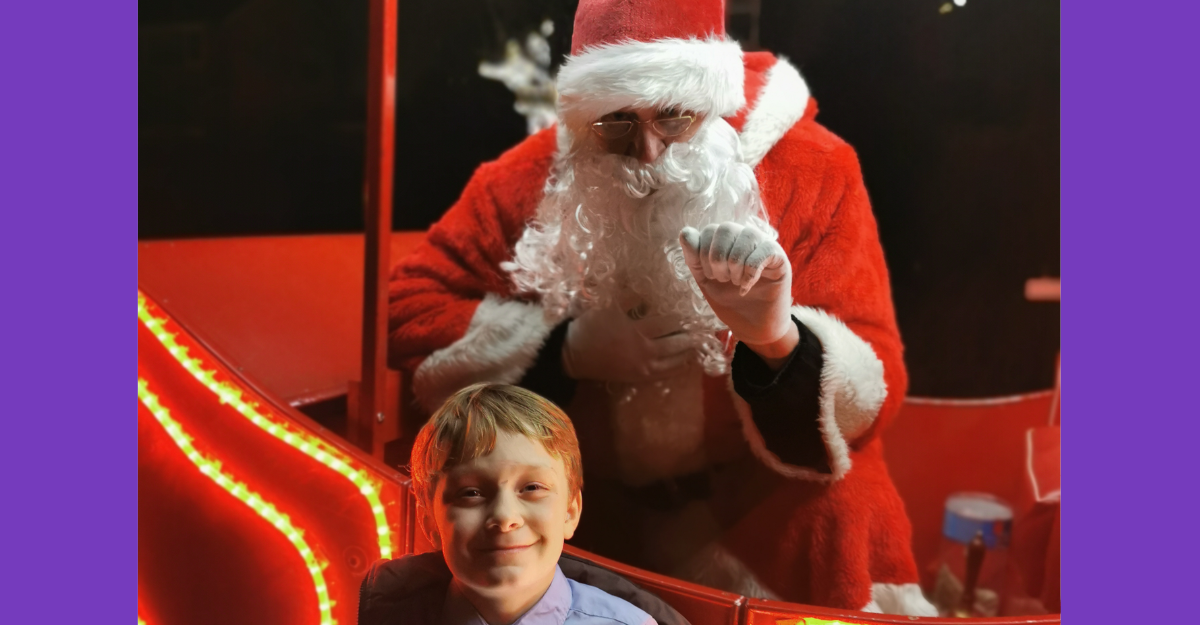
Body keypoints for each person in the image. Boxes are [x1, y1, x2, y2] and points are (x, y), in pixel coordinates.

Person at [389, 0, 936, 614]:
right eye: (617, 122)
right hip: (597, 515)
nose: (648, 153)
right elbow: (408, 310)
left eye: (674, 116)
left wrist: (776, 341)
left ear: (711, 100)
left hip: (760, 515)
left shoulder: (815, 170)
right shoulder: (526, 179)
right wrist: (564, 347)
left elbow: (875, 381)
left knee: (848, 506)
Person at [358, 383, 678, 625]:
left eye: (532, 487)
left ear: (570, 511)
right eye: (470, 493)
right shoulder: (387, 614)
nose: (505, 517)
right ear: (429, 520)